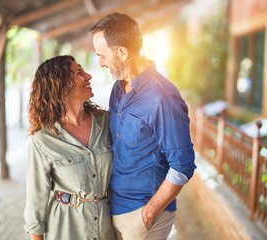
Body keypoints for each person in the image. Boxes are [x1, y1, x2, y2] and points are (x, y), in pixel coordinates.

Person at [89, 13, 197, 240]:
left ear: (122, 52)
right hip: (115, 208)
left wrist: (148, 215)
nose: (100, 62)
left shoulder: (162, 97)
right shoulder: (118, 89)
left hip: (143, 216)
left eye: (102, 55)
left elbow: (183, 166)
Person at [23, 55, 116, 240]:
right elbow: (36, 203)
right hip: (65, 230)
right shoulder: (43, 141)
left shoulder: (108, 122)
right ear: (61, 85)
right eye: (79, 73)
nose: (88, 76)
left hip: (107, 228)